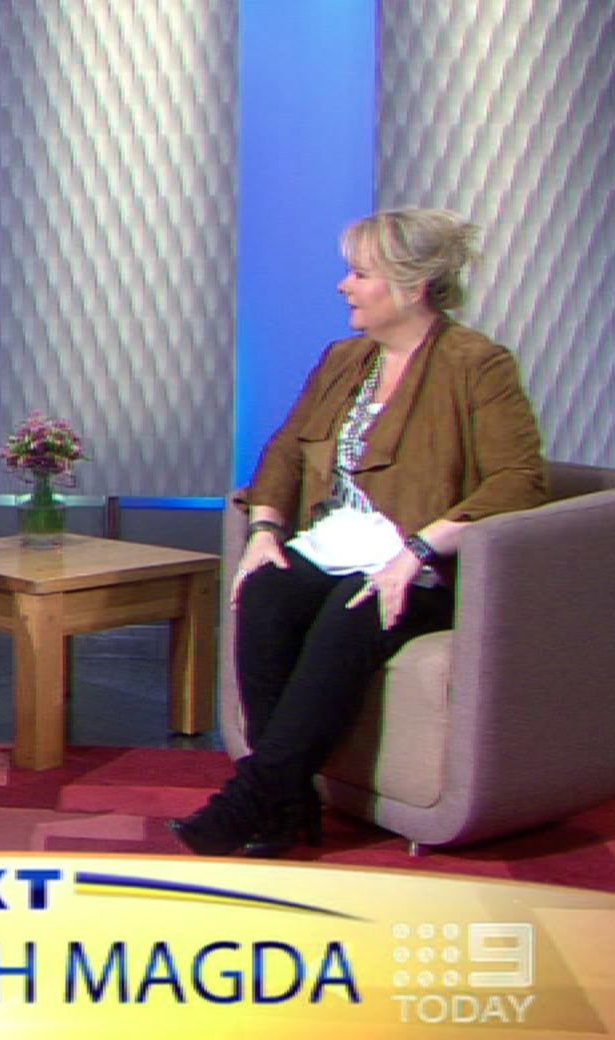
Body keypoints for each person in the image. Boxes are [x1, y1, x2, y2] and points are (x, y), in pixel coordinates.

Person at [174, 207, 547, 858]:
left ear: (411, 285)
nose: (344, 286)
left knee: (349, 614)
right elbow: (287, 449)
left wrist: (420, 548)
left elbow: (519, 479)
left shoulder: (477, 364)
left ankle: (254, 798)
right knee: (265, 595)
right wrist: (264, 528)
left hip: (419, 562)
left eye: (360, 274)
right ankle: (288, 806)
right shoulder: (345, 359)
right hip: (337, 541)